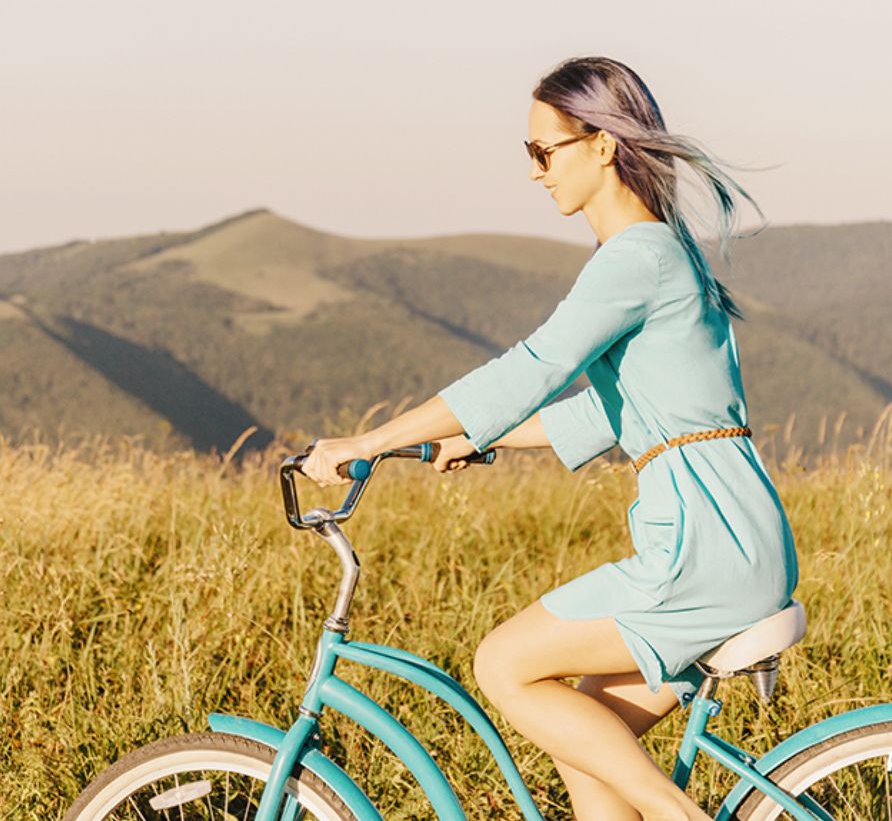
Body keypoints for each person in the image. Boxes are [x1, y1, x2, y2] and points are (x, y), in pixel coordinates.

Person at [301, 56, 799, 821]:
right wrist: (468, 441)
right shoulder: (662, 253)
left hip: (702, 543)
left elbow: (531, 368)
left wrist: (365, 440)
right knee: (591, 756)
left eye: (545, 151)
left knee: (501, 663)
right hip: (732, 531)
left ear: (602, 144)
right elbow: (607, 413)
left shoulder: (636, 256)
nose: (535, 171)